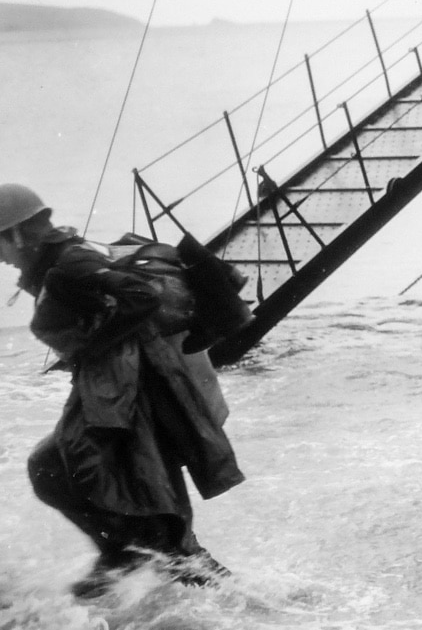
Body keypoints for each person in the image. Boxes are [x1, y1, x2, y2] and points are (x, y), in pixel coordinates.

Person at [0, 185, 244, 600]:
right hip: (120, 393)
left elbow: (141, 297)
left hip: (139, 398)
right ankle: (121, 556)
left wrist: (95, 345)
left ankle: (247, 605)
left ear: (18, 234)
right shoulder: (55, 265)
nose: (1, 258)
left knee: (165, 528)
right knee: (52, 469)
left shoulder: (71, 261)